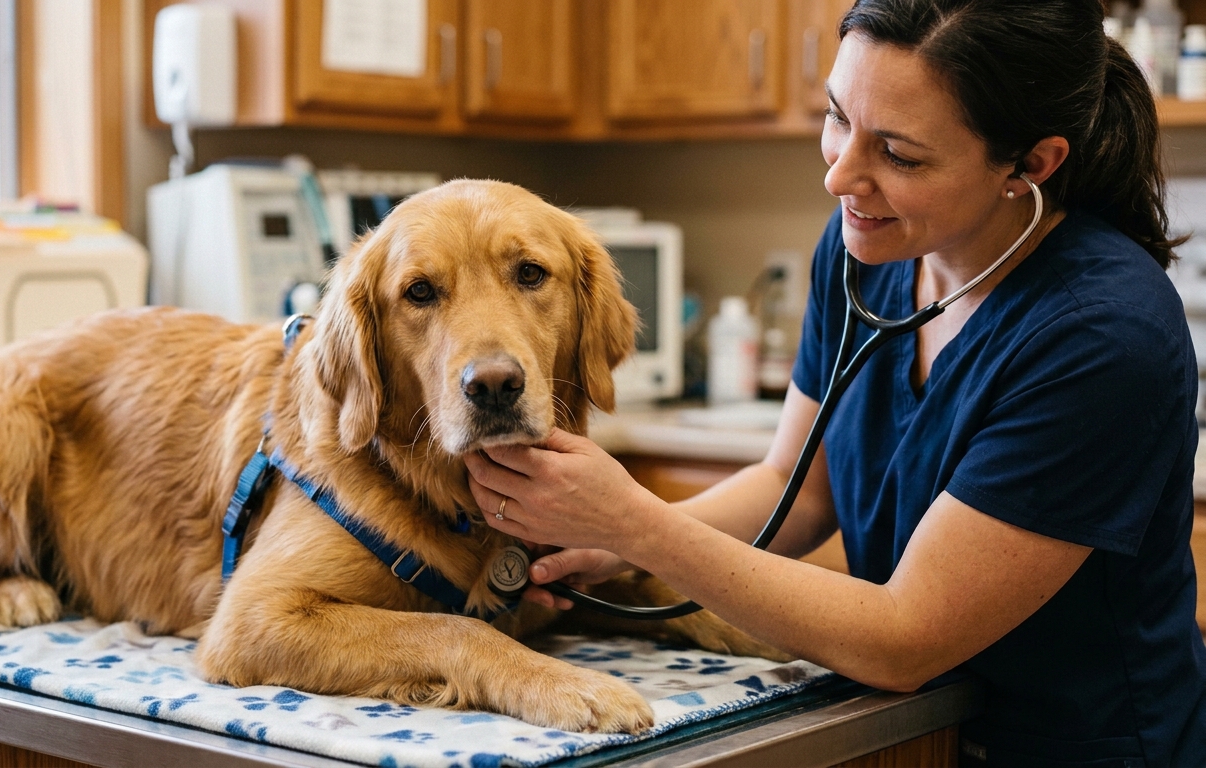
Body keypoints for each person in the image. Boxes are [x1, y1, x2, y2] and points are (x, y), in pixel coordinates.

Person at [463, 1, 1206, 764]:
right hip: (920, 734)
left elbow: (905, 638)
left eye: (900, 154)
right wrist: (615, 547)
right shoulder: (867, 253)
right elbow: (796, 487)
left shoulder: (1101, 335)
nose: (839, 175)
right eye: (837, 117)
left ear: (1032, 164)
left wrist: (638, 527)